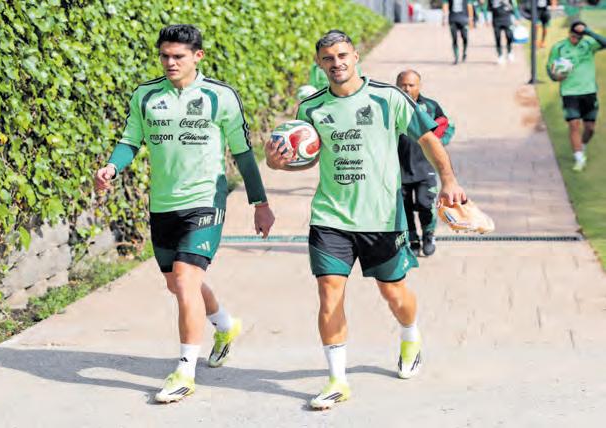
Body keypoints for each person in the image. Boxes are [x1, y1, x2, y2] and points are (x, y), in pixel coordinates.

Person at [265, 30, 466, 410]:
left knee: (394, 294)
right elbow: (306, 158)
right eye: (328, 58)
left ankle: (410, 335)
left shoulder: (389, 98)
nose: (336, 63)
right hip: (331, 215)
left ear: (355, 57)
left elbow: (428, 139)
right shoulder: (311, 109)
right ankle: (337, 380)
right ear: (319, 63)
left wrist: (449, 180)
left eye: (342, 55)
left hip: (382, 217)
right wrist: (278, 163)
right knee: (329, 292)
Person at [94, 24, 275, 403]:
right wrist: (112, 166)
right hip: (163, 203)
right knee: (177, 284)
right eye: (165, 56)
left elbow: (243, 153)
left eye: (178, 56)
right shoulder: (146, 95)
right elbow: (130, 140)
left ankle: (184, 372)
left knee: (186, 279)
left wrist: (259, 203)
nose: (170, 62)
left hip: (206, 199)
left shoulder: (220, 96)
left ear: (198, 56)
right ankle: (225, 324)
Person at [396, 70, 455, 257]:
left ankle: (428, 235)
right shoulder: (390, 107)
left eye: (411, 85)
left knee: (425, 204)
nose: (407, 89)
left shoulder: (430, 106)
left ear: (419, 86)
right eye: (403, 85)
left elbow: (447, 125)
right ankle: (412, 239)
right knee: (404, 207)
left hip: (425, 168)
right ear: (396, 86)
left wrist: (438, 143)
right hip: (399, 169)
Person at [547, 21, 605, 172]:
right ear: (569, 33)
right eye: (573, 36)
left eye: (578, 37)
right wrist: (555, 77)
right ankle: (579, 158)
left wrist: (588, 32)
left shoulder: (589, 45)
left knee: (590, 128)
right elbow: (549, 67)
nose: (575, 39)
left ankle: (582, 146)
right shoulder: (559, 47)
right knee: (574, 124)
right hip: (569, 92)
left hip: (589, 91)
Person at [484, 0, 521, 64]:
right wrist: (487, 19)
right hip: (496, 20)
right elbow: (487, 8)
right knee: (497, 37)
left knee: (509, 36)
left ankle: (509, 52)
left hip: (507, 19)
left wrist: (517, 17)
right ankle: (500, 55)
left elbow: (514, 6)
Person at [442, 0, 475, 64]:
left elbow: (470, 6)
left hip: (463, 19)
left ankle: (464, 52)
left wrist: (471, 19)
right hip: (453, 19)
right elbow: (445, 4)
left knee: (465, 37)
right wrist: (444, 17)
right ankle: (456, 57)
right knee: (454, 38)